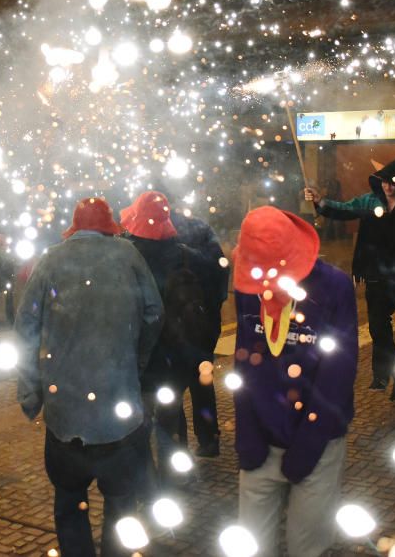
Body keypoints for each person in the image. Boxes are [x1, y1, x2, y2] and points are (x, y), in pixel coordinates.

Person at [16, 197, 162, 557]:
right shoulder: (128, 255)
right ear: (109, 226)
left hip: (65, 412)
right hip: (119, 410)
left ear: (75, 227)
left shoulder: (51, 259)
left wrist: (31, 390)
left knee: (69, 504)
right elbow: (154, 313)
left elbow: (25, 328)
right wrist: (135, 362)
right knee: (122, 505)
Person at [232, 206, 358, 557]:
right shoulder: (249, 288)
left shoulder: (334, 286)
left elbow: (339, 372)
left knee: (309, 548)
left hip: (318, 445)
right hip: (261, 439)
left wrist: (310, 441)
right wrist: (247, 431)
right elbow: (244, 359)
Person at [304, 153, 395, 401]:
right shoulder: (369, 202)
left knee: (379, 323)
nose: (388, 186)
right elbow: (343, 210)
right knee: (380, 324)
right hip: (373, 272)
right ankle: (384, 376)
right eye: (385, 181)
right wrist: (320, 201)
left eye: (393, 182)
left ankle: (393, 374)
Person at [121, 191, 216, 484]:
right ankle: (176, 477)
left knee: (138, 423)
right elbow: (215, 286)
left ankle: (144, 483)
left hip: (140, 354)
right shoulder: (187, 254)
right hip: (176, 353)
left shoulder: (125, 254)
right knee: (171, 418)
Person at [170, 207, 230, 458]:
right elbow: (221, 267)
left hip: (176, 324)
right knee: (200, 379)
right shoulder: (199, 228)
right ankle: (207, 439)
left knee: (172, 386)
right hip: (202, 319)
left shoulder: (150, 235)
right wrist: (214, 305)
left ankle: (178, 448)